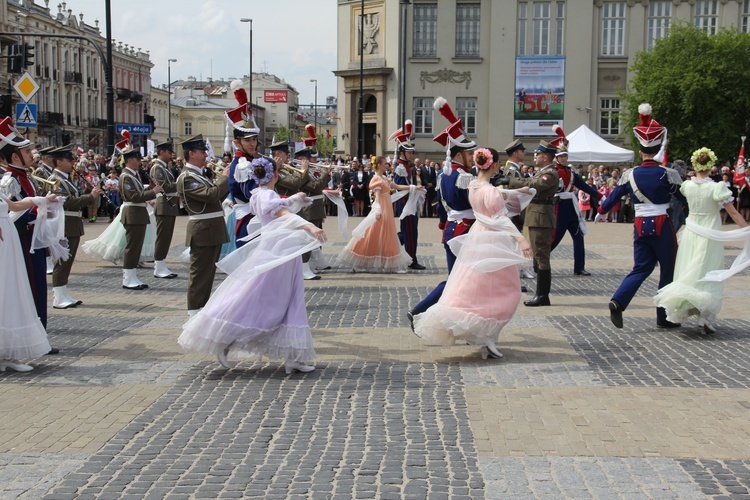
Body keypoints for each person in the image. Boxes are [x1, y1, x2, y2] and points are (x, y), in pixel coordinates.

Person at [178, 157, 326, 373]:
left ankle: (293, 356)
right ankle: (226, 342)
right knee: (260, 300)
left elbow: (279, 209)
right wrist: (309, 226)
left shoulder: (259, 194)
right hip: (276, 254)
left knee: (287, 301)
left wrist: (296, 198)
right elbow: (282, 214)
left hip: (280, 253)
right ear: (274, 174)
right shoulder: (266, 196)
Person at [413, 148, 534, 359]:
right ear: (495, 165)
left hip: (477, 236)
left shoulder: (472, 185)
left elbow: (492, 193)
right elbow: (501, 217)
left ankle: (486, 335)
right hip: (493, 239)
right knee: (506, 290)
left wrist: (516, 192)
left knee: (479, 287)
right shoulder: (489, 190)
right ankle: (488, 335)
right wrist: (521, 239)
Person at [602, 103, 684, 329]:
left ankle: (618, 300)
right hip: (663, 225)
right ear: (658, 150)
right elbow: (683, 198)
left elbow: (611, 200)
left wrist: (601, 210)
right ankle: (663, 317)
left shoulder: (629, 175)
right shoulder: (669, 174)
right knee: (667, 270)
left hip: (640, 225)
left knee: (641, 268)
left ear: (640, 151)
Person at [654, 147, 749, 334]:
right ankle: (705, 317)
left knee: (691, 269)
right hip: (709, 233)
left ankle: (695, 310)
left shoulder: (687, 186)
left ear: (695, 164)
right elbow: (733, 212)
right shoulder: (716, 187)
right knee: (708, 271)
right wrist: (746, 229)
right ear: (711, 165)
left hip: (691, 233)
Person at [407, 98, 476, 325]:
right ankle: (422, 310)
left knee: (458, 280)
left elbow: (441, 207)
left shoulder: (442, 174)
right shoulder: (464, 177)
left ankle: (439, 315)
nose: (472, 157)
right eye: (468, 153)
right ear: (458, 155)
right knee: (460, 281)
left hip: (450, 231)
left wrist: (442, 223)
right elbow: (475, 204)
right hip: (465, 232)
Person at [0, 117, 56, 353]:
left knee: (38, 288)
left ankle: (38, 335)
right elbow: (14, 213)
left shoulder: (26, 176)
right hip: (22, 241)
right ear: (14, 156)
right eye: (26, 150)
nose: (32, 153)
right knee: (30, 289)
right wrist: (39, 209)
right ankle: (33, 338)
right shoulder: (10, 179)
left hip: (32, 240)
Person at [0, 190, 56, 372]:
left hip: (8, 239)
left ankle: (7, 354)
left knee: (11, 289)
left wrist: (38, 200)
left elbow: (14, 207)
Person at [177, 135, 229, 317]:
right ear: (191, 154)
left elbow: (216, 199)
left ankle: (202, 309)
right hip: (203, 229)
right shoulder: (187, 177)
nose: (205, 155)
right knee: (200, 274)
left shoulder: (198, 175)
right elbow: (211, 195)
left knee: (208, 274)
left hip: (212, 228)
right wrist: (224, 178)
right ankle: (194, 311)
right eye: (201, 152)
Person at [506, 140, 560, 307]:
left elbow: (532, 185)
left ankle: (543, 295)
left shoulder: (550, 173)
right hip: (536, 216)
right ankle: (541, 294)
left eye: (538, 154)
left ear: (545, 157)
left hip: (541, 218)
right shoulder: (543, 171)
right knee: (538, 256)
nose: (535, 157)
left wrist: (511, 181)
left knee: (541, 257)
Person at [48, 146, 102, 308]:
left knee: (67, 260)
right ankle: (58, 295)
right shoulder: (56, 179)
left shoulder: (66, 178)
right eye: (69, 160)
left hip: (72, 223)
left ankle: (62, 291)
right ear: (59, 162)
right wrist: (89, 197)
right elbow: (66, 202)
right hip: (64, 223)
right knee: (62, 261)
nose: (73, 162)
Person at [337, 155, 411, 273]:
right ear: (380, 165)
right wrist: (377, 210)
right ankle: (360, 257)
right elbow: (376, 196)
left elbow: (397, 186)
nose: (387, 165)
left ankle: (388, 263)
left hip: (387, 209)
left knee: (383, 234)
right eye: (385, 164)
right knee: (372, 233)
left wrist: (413, 187)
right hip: (381, 209)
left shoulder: (384, 178)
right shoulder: (376, 179)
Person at [275, 124, 329, 280]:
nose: (288, 156)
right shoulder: (280, 171)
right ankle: (303, 268)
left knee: (309, 239)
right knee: (304, 239)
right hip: (296, 210)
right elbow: (300, 185)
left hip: (304, 208)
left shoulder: (289, 169)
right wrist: (321, 174)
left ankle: (307, 266)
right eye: (285, 153)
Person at [548, 125, 601, 276]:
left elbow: (584, 186)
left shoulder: (571, 171)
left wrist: (600, 197)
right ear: (556, 157)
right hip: (559, 207)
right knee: (554, 239)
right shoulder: (553, 171)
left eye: (565, 155)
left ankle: (579, 267)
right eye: (561, 156)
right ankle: (538, 262)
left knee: (579, 237)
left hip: (571, 207)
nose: (564, 158)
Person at [118, 138, 163, 290]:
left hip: (138, 213)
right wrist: (152, 192)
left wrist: (148, 190)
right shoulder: (126, 176)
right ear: (130, 160)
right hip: (132, 213)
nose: (140, 163)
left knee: (136, 246)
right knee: (132, 246)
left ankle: (132, 275)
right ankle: (128, 277)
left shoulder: (134, 175)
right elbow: (133, 197)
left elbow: (138, 193)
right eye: (138, 160)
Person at [225, 80, 260, 248]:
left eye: (254, 139)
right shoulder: (242, 164)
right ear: (237, 143)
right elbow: (251, 194)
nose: (252, 144)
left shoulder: (251, 161)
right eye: (248, 140)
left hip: (255, 219)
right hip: (248, 221)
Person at [390, 120, 426, 270]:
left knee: (410, 231)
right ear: (403, 152)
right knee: (409, 232)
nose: (412, 154)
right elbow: (399, 188)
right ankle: (410, 259)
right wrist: (414, 188)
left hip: (410, 201)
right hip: (405, 202)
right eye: (410, 152)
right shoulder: (400, 167)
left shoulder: (406, 165)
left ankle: (392, 245)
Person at [149, 141, 180, 279]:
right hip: (163, 204)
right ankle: (159, 266)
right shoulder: (157, 168)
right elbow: (163, 186)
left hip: (169, 204)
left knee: (166, 237)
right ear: (161, 152)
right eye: (169, 152)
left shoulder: (165, 168)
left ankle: (161, 264)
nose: (171, 155)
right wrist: (180, 184)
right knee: (163, 237)